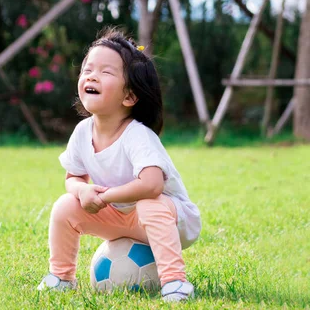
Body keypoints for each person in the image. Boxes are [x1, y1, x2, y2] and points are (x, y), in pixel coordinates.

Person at [37, 27, 201, 302]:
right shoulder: (82, 132)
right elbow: (73, 178)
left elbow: (152, 185)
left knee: (151, 204)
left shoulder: (137, 135)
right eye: (87, 69)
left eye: (106, 72)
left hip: (169, 219)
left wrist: (105, 196)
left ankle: (175, 282)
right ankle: (61, 277)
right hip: (117, 215)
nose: (91, 75)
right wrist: (82, 191)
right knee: (65, 205)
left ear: (129, 97)